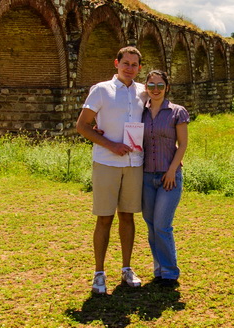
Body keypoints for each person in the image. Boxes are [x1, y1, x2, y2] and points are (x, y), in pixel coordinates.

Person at [76, 46, 147, 295]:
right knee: (104, 218)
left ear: (140, 68)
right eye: (125, 63)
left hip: (134, 163)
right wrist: (110, 144)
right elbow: (82, 126)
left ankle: (127, 268)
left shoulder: (143, 92)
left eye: (134, 64)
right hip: (107, 162)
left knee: (128, 216)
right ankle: (99, 273)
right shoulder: (101, 90)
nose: (129, 68)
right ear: (116, 63)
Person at [141, 69, 189, 288]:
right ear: (146, 88)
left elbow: (183, 144)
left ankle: (170, 272)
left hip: (169, 177)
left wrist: (171, 171)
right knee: (152, 226)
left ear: (167, 87)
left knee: (162, 225)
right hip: (146, 176)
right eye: (151, 85)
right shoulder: (140, 112)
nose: (156, 90)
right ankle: (159, 269)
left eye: (160, 85)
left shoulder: (177, 112)